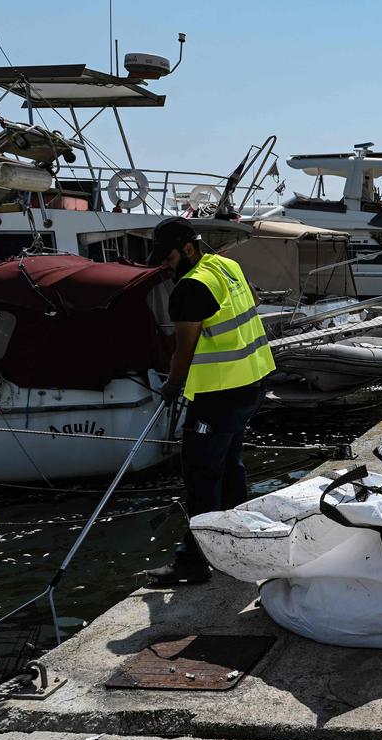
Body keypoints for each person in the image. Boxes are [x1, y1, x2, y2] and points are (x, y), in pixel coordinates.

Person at [144, 218, 276, 586]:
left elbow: (184, 349)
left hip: (219, 394)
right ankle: (239, 546)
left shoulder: (190, 288)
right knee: (230, 468)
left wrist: (172, 385)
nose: (163, 264)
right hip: (253, 381)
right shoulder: (226, 265)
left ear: (187, 249)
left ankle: (195, 561)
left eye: (167, 256)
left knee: (201, 475)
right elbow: (255, 301)